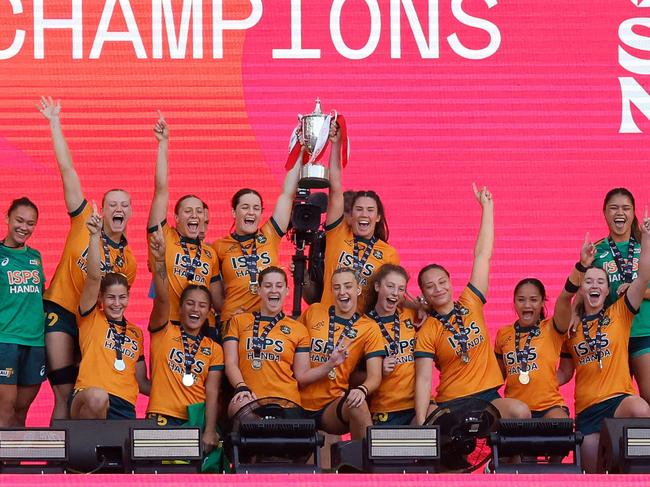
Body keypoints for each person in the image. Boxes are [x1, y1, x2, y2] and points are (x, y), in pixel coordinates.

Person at [38, 97, 137, 420]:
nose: (118, 209)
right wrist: (54, 122)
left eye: (124, 205)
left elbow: (115, 302)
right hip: (62, 312)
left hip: (93, 325)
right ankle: (58, 465)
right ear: (102, 208)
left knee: (90, 391)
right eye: (113, 204)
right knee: (63, 394)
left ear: (130, 212)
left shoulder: (129, 261)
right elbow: (66, 169)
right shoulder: (83, 219)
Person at [414, 185, 530, 425]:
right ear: (423, 294)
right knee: (452, 453)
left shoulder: (471, 301)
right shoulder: (427, 330)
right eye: (430, 286)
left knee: (519, 413)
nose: (438, 288)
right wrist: (422, 419)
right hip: (452, 401)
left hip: (487, 397)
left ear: (450, 283)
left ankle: (508, 464)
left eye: (442, 281)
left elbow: (482, 255)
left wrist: (487, 208)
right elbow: (424, 380)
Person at [558, 225, 650, 473]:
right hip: (587, 410)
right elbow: (565, 372)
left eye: (601, 281)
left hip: (618, 401)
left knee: (641, 409)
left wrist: (647, 238)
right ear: (582, 289)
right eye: (588, 281)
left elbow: (642, 278)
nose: (594, 285)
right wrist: (537, 382)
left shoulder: (619, 313)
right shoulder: (571, 327)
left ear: (607, 290)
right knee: (593, 471)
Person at [146, 228, 224, 452]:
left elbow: (212, 393)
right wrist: (160, 259)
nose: (195, 309)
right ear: (179, 308)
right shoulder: (164, 331)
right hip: (161, 418)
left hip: (194, 423)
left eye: (202, 305)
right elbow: (162, 297)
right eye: (190, 303)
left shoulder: (214, 349)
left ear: (209, 311)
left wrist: (209, 430)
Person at [70, 204, 147, 420]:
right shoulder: (91, 316)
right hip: (88, 399)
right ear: (101, 299)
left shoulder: (136, 333)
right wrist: (95, 237)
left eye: (122, 297)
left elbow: (142, 383)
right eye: (111, 297)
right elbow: (94, 277)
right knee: (98, 397)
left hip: (124, 406)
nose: (116, 303)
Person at [147, 114, 220, 322]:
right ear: (175, 217)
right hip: (167, 324)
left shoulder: (210, 254)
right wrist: (163, 144)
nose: (194, 215)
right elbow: (160, 190)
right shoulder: (164, 236)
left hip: (202, 329)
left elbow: (219, 300)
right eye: (188, 211)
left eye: (198, 211)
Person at [211, 157, 302, 324]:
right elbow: (215, 293)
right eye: (245, 207)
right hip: (234, 322)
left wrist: (299, 152)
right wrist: (228, 313)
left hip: (269, 322)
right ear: (234, 212)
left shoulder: (270, 234)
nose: (251, 212)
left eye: (256, 208)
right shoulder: (219, 247)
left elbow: (287, 195)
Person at [299, 267, 385, 438]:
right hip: (296, 400)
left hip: (330, 405)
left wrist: (361, 390)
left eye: (348, 286)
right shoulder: (314, 311)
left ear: (358, 289)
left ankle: (364, 463)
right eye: (337, 287)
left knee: (358, 404)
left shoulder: (369, 327)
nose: (342, 292)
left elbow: (375, 376)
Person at [321, 124, 399, 311]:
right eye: (359, 209)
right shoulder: (338, 233)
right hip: (327, 324)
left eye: (370, 210)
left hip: (362, 331)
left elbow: (394, 295)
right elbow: (335, 188)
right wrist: (336, 145)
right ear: (350, 214)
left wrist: (420, 306)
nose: (364, 214)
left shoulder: (389, 254)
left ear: (378, 217)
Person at [223, 266, 314, 417]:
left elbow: (302, 375)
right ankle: (264, 431)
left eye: (279, 286)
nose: (274, 290)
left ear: (287, 291)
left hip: (287, 402)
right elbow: (231, 363)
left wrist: (331, 364)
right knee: (239, 405)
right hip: (249, 398)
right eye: (267, 286)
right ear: (258, 290)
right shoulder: (238, 321)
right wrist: (241, 387)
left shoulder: (299, 329)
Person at [592, 188, 650, 404]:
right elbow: (584, 290)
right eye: (614, 208)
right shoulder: (596, 251)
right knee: (615, 402)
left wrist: (638, 291)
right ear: (604, 213)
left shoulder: (647, 246)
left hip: (644, 332)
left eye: (626, 208)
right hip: (612, 335)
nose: (620, 213)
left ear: (633, 213)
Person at [494, 278, 571, 419]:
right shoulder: (503, 334)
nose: (527, 305)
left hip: (549, 406)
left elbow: (565, 302)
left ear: (542, 302)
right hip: (515, 409)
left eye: (534, 300)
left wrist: (546, 381)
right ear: (514, 302)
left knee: (562, 425)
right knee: (517, 418)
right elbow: (496, 378)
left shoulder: (552, 327)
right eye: (521, 299)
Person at [0, 198, 46, 426]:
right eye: (19, 220)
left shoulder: (35, 257)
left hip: (35, 342)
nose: (24, 228)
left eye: (30, 223)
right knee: (5, 411)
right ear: (7, 219)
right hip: (5, 341)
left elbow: (40, 295)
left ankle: (14, 462)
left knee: (21, 411)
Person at [364, 264, 418, 425]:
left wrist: (421, 305)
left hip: (418, 404)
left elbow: (437, 307)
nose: (395, 293)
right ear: (377, 286)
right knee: (392, 451)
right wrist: (377, 370)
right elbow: (351, 377)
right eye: (390, 286)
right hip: (385, 408)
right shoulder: (362, 325)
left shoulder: (411, 315)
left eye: (401, 289)